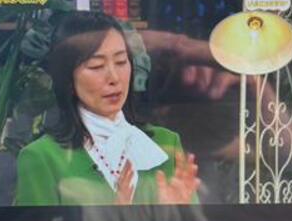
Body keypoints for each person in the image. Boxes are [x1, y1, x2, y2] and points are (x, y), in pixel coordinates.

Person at [14, 12, 200, 206]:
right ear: (67, 77)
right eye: (96, 66)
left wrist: (179, 215)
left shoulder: (166, 144)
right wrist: (112, 218)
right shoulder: (41, 158)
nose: (114, 78)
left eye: (121, 62)